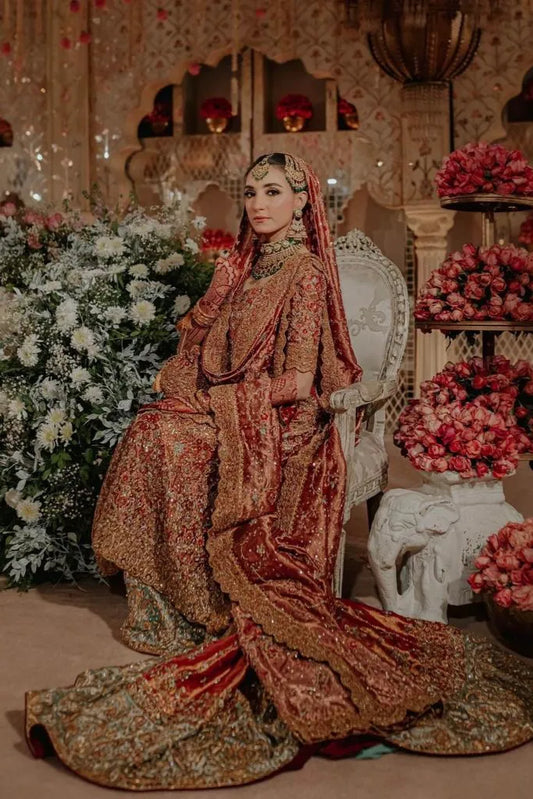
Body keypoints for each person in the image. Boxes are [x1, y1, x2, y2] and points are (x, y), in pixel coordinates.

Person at [25, 154, 533, 790]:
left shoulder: (304, 272)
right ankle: (169, 607)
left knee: (173, 441)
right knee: (153, 429)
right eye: (250, 193)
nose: (258, 204)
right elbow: (204, 357)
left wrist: (218, 403)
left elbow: (299, 381)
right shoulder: (238, 269)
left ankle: (209, 603)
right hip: (233, 411)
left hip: (283, 423)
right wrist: (190, 383)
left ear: (301, 201)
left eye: (273, 192)